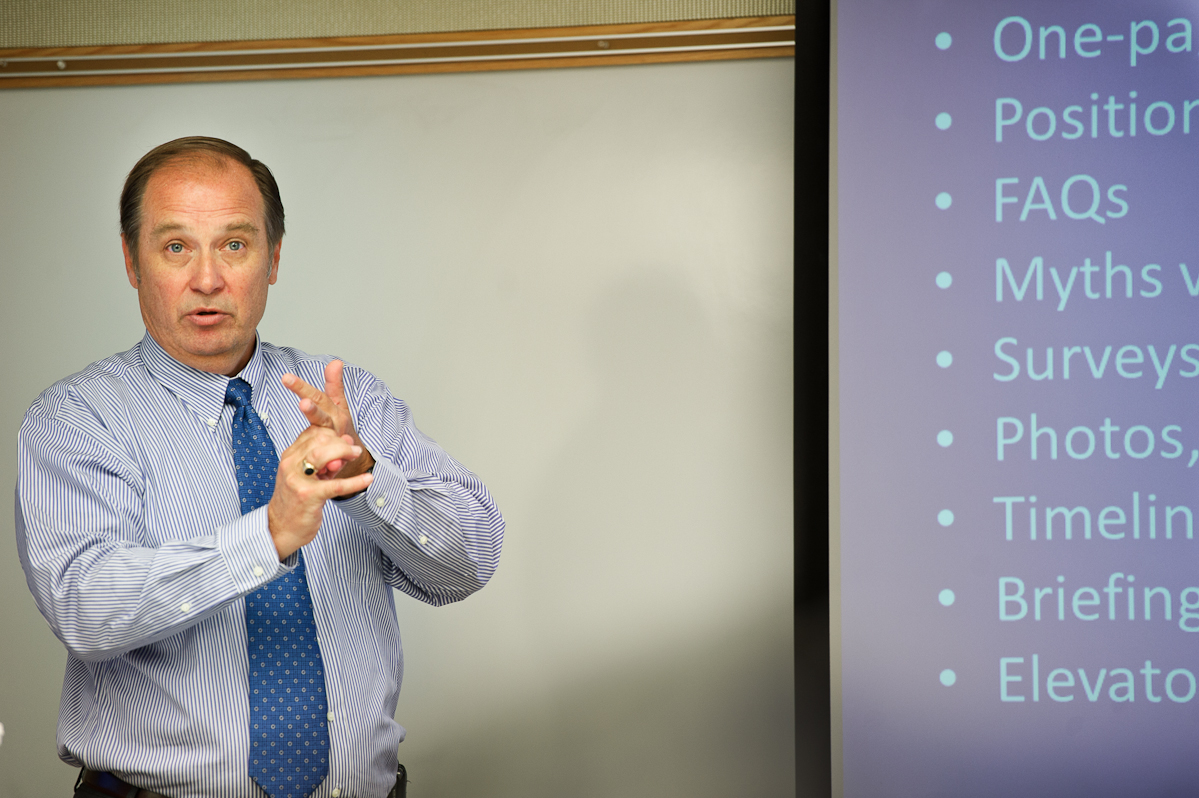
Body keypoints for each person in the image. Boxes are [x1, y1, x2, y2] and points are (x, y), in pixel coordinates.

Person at [15, 137, 504, 798]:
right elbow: (86, 608)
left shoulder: (347, 400)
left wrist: (366, 480)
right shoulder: (77, 420)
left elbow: (468, 564)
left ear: (273, 258)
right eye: (176, 247)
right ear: (133, 261)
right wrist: (268, 536)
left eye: (235, 245)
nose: (208, 279)